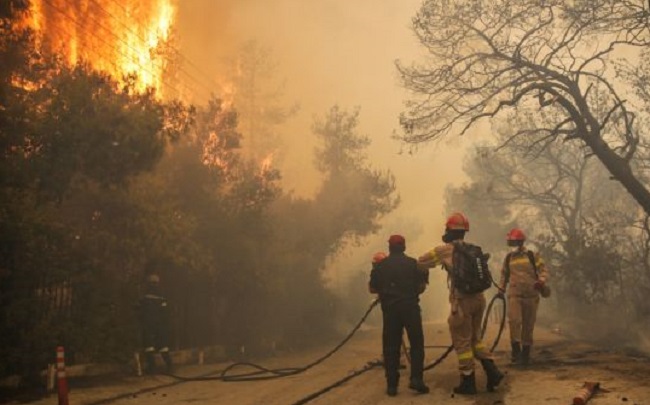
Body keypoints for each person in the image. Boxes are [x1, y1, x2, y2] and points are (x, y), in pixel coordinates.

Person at [417, 212, 504, 395]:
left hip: (462, 302)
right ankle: (492, 371)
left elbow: (421, 261)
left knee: (462, 342)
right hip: (479, 298)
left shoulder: (445, 250)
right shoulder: (473, 249)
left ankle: (468, 381)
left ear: (449, 230)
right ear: (464, 232)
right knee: (476, 340)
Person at [369, 235, 429, 397]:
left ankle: (392, 385)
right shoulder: (413, 264)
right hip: (410, 308)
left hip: (390, 311)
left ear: (389, 247)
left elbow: (372, 289)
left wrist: (388, 292)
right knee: (416, 344)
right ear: (404, 247)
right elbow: (422, 287)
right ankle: (416, 378)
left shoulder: (380, 267)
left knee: (390, 348)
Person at [497, 228, 550, 365]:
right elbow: (504, 274)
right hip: (515, 295)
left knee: (528, 325)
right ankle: (516, 351)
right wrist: (501, 288)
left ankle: (525, 355)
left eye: (515, 242)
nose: (514, 245)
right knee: (514, 321)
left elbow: (543, 270)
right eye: (511, 243)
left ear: (521, 242)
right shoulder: (509, 258)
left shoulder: (532, 256)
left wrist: (542, 281)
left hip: (531, 295)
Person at [138, 273, 173, 374]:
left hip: (149, 324)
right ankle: (169, 366)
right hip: (160, 325)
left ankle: (152, 367)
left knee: (149, 346)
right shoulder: (162, 295)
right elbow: (166, 312)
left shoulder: (145, 296)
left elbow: (141, 311)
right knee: (162, 346)